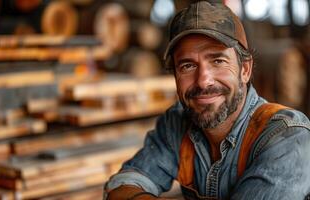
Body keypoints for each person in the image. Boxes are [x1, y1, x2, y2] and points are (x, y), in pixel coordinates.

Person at [104, 1, 310, 200]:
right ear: (175, 76)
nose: (203, 81)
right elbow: (121, 185)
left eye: (218, 61)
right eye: (187, 66)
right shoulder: (177, 123)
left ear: (245, 70)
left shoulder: (289, 137)